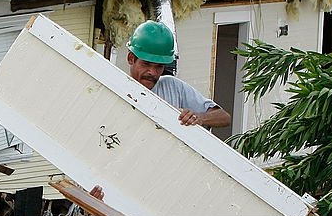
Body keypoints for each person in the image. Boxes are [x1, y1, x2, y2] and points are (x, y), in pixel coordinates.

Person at [88, 20, 231, 201]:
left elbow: (224, 117)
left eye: (159, 66)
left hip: (166, 190)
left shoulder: (172, 87)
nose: (153, 73)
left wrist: (200, 118)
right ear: (131, 59)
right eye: (147, 64)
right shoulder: (114, 93)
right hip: (122, 189)